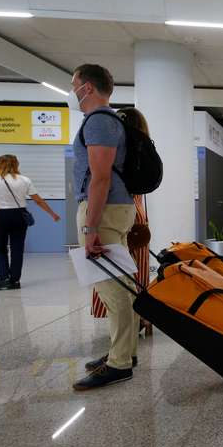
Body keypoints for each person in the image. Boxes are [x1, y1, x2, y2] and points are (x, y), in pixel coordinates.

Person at [69, 64, 140, 391]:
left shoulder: (99, 122)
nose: (73, 92)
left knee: (114, 291)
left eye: (75, 85)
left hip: (104, 211)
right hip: (115, 208)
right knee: (122, 286)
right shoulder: (105, 122)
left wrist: (90, 227)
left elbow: (100, 177)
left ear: (88, 87)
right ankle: (124, 351)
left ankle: (120, 363)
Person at [91, 107, 153, 341]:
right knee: (137, 270)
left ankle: (125, 330)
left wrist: (90, 226)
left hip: (114, 211)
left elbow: (102, 180)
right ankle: (140, 318)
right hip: (135, 213)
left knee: (114, 275)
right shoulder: (141, 145)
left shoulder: (115, 149)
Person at [0, 154, 60, 290]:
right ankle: (15, 280)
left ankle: (4, 279)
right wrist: (52, 214)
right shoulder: (24, 180)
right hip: (19, 216)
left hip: (0, 216)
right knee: (17, 248)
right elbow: (38, 200)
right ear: (16, 165)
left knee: (0, 248)